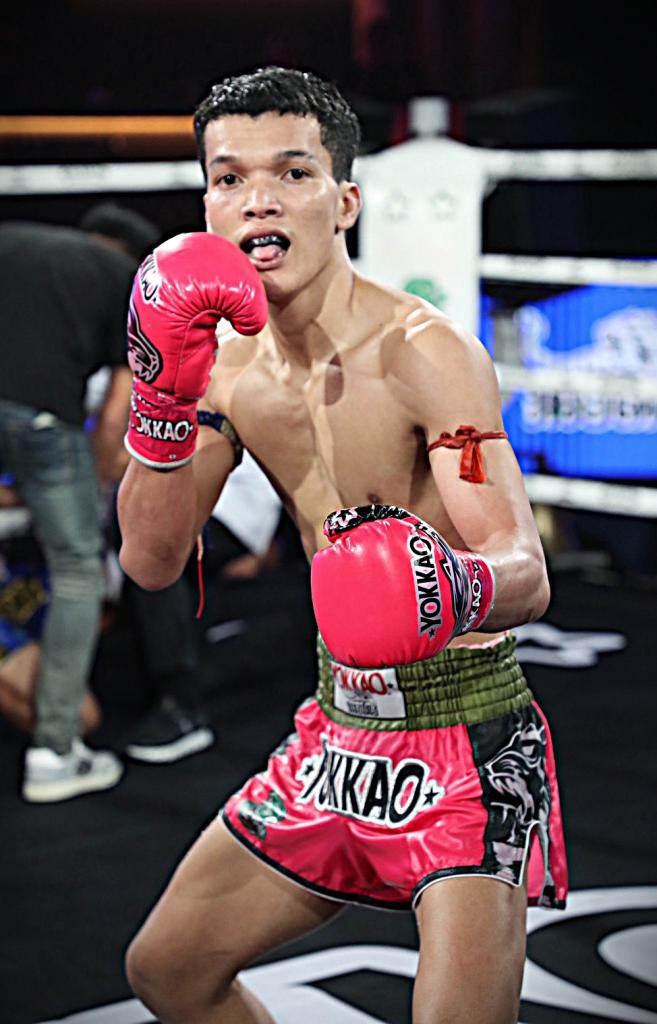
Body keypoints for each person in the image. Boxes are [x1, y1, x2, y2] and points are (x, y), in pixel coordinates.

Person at [117, 67, 568, 1024]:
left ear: (345, 200)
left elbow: (525, 571)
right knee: (168, 970)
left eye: (292, 172)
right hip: (335, 733)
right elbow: (151, 561)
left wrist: (440, 586)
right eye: (229, 178)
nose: (259, 200)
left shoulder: (424, 352)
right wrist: (160, 399)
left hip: (465, 735)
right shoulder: (224, 370)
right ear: (207, 206)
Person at [0, 202, 159, 802]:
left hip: (22, 422)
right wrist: (92, 482)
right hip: (40, 418)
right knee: (77, 568)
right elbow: (118, 410)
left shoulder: (24, 244)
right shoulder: (132, 285)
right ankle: (56, 751)